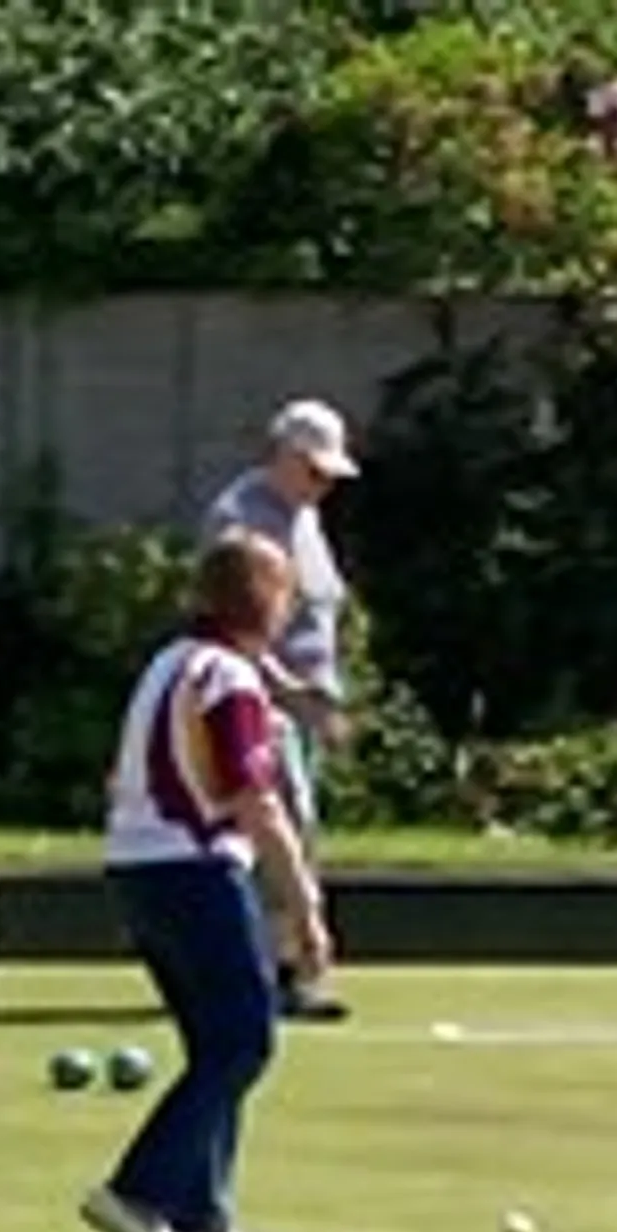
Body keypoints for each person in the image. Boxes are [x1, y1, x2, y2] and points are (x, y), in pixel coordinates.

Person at [79, 529, 332, 1232]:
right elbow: (257, 801)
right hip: (192, 869)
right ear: (264, 599)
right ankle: (138, 1192)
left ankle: (201, 1216)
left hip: (138, 869)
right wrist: (305, 906)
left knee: (213, 1043)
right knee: (244, 1040)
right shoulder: (227, 677)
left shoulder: (169, 664)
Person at [200, 398, 359, 1022]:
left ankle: (272, 968)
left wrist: (325, 698)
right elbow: (236, 627)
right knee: (282, 830)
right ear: (283, 455)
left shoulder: (304, 517)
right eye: (314, 471)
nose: (324, 486)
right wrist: (293, 694)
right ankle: (278, 972)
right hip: (260, 701)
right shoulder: (238, 519)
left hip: (304, 703)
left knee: (293, 830)